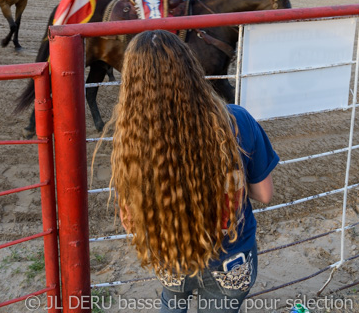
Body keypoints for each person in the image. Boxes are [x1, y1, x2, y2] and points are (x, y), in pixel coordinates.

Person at [105, 30, 279, 313]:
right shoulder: (238, 120)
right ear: (192, 70)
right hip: (231, 259)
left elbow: (130, 220)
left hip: (170, 255)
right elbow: (264, 194)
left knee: (171, 303)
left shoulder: (132, 139)